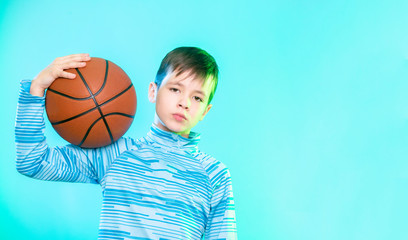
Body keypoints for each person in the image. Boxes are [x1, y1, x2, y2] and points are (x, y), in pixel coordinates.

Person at [15, 47, 238, 239]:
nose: (184, 103)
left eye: (197, 97)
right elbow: (32, 162)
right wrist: (35, 91)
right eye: (175, 89)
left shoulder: (215, 175)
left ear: (205, 111)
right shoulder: (115, 153)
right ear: (153, 91)